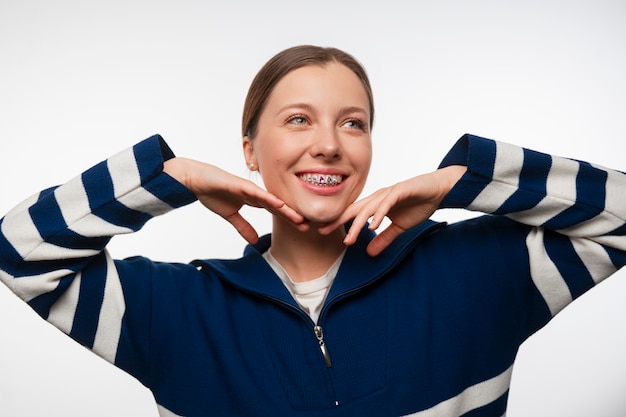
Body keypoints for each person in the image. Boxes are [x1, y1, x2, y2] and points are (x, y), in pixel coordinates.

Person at [0, 45, 624, 417]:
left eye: (353, 124)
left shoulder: (478, 273)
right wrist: (171, 177)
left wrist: (458, 181)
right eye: (299, 120)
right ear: (250, 149)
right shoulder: (172, 311)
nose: (327, 145)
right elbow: (20, 251)